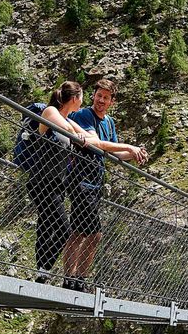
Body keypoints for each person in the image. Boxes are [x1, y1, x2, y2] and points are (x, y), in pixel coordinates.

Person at [60, 77, 148, 289]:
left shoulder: (108, 122)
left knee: (79, 232)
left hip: (95, 181)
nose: (101, 100)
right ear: (94, 96)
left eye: (105, 98)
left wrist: (134, 154)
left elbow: (113, 153)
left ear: (112, 102)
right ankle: (76, 279)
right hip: (80, 179)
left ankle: (73, 280)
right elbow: (95, 143)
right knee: (93, 233)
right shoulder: (84, 115)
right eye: (99, 96)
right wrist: (129, 147)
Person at [15, 80, 92, 277]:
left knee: (46, 224)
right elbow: (70, 132)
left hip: (57, 183)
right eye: (81, 98)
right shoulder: (50, 111)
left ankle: (41, 271)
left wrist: (127, 150)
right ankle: (44, 269)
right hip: (41, 181)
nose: (82, 102)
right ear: (75, 98)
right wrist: (77, 135)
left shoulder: (67, 119)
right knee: (64, 230)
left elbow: (88, 139)